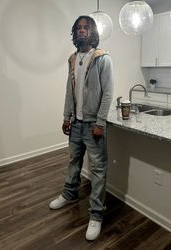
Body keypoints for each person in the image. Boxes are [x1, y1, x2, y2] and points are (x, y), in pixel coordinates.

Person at [49, 15, 114, 241]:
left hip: (93, 124)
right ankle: (69, 194)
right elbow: (70, 91)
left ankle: (96, 214)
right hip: (76, 123)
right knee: (73, 161)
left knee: (97, 169)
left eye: (86, 27)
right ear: (75, 33)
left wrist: (100, 122)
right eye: (79, 28)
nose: (82, 31)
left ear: (93, 32)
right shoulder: (72, 58)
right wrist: (66, 116)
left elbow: (107, 93)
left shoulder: (102, 59)